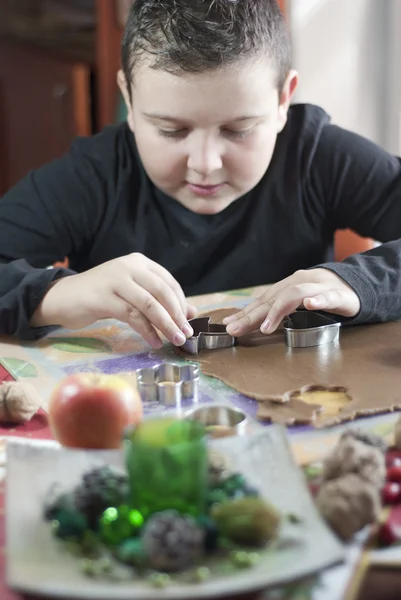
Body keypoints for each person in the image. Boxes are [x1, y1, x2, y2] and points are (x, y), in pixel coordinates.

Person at [0, 0, 401, 348]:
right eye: (172, 130)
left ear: (283, 100)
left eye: (238, 129)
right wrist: (59, 295)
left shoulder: (317, 156)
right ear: (129, 98)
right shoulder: (94, 176)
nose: (205, 163)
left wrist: (361, 283)